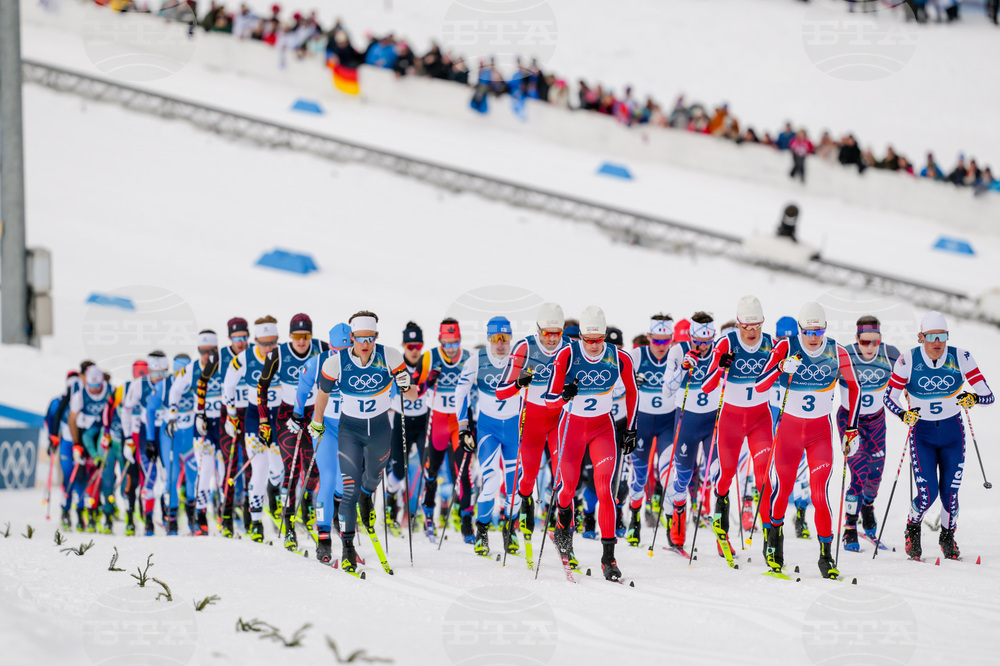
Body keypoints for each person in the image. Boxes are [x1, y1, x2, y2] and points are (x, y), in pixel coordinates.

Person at [754, 302, 862, 578]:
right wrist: (780, 368)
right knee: (783, 490)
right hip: (789, 432)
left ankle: (826, 557)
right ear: (800, 330)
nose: (813, 338)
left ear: (824, 329)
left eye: (818, 331)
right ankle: (773, 545)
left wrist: (851, 427)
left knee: (819, 494)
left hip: (819, 434)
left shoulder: (837, 351)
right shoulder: (786, 347)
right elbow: (759, 384)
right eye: (808, 332)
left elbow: (854, 387)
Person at [884, 311, 994, 560]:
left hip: (953, 434)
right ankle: (913, 528)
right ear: (921, 337)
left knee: (950, 493)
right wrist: (903, 414)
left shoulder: (961, 357)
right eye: (931, 336)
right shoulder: (908, 360)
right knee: (928, 493)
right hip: (922, 435)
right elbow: (889, 397)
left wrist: (973, 398)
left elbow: (988, 395)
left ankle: (947, 537)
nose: (937, 343)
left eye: (942, 336)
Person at [310, 311, 410, 573]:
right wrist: (317, 422)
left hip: (379, 428)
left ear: (376, 336)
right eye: (360, 338)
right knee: (348, 488)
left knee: (373, 477)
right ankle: (347, 547)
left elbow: (410, 392)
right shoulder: (335, 363)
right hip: (350, 429)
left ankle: (368, 496)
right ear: (352, 337)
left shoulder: (390, 356)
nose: (365, 344)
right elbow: (322, 393)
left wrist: (406, 383)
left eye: (370, 337)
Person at [544, 306, 638, 581]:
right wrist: (564, 395)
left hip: (601, 428)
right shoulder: (567, 354)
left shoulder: (619, 357)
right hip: (571, 427)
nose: (594, 346)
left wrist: (631, 429)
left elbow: (632, 392)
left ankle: (608, 558)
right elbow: (549, 400)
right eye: (589, 340)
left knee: (605, 488)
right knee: (567, 489)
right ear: (581, 337)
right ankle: (563, 534)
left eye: (599, 340)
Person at [701, 296, 775, 557]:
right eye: (746, 326)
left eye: (757, 326)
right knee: (726, 476)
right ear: (739, 324)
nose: (752, 332)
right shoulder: (726, 343)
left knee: (764, 476)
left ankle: (770, 540)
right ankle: (722, 534)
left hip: (760, 420)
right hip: (732, 419)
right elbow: (707, 385)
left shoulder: (771, 344)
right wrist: (720, 368)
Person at [496, 303, 568, 551]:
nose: (551, 338)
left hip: (558, 418)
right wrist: (518, 383)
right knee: (528, 476)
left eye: (556, 333)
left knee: (563, 477)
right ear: (538, 330)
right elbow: (501, 391)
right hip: (532, 418)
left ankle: (562, 531)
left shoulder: (569, 348)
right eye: (546, 333)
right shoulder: (525, 347)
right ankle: (519, 512)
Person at [257, 313, 326, 551]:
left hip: (314, 413)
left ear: (311, 335)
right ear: (290, 335)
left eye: (305, 335)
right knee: (292, 470)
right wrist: (264, 421)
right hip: (287, 415)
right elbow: (261, 386)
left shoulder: (322, 349)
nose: (301, 341)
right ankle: (288, 527)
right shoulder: (277, 353)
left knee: (314, 470)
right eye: (297, 336)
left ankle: (307, 503)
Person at [455, 316, 521, 556]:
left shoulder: (520, 359)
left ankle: (509, 530)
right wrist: (463, 426)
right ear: (489, 339)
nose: (500, 343)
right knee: (492, 481)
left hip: (514, 430)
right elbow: (460, 391)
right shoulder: (477, 360)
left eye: (504, 338)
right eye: (495, 338)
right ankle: (481, 532)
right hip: (488, 430)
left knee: (513, 487)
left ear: (510, 337)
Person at [838, 316, 901, 551]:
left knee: (875, 475)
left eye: (875, 342)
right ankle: (850, 527)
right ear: (857, 339)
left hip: (876, 421)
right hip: (850, 420)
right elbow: (822, 376)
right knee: (858, 473)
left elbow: (907, 378)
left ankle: (868, 505)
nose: (870, 348)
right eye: (865, 342)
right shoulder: (845, 354)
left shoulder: (890, 354)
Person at [661, 312, 723, 550]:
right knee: (683, 478)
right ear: (690, 336)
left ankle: (721, 529)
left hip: (712, 421)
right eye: (698, 341)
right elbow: (667, 390)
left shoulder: (719, 348)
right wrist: (683, 369)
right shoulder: (678, 351)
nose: (703, 347)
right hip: (686, 420)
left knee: (717, 474)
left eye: (708, 341)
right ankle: (676, 513)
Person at [222, 316, 284, 542]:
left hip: (279, 418)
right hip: (254, 419)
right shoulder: (244, 357)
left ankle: (273, 491)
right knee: (259, 468)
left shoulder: (282, 354)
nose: (269, 348)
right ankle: (256, 520)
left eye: (273, 342)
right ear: (255, 340)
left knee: (278, 469)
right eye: (264, 343)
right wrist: (230, 415)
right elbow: (228, 384)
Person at [295, 323, 351, 563]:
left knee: (346, 480)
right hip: (326, 428)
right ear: (330, 347)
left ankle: (337, 509)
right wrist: (298, 414)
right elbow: (302, 386)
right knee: (327, 478)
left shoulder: (361, 361)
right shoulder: (318, 362)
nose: (341, 355)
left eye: (345, 349)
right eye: (336, 350)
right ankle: (324, 540)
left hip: (351, 429)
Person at [417, 318, 473, 543]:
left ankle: (467, 523)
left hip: (459, 423)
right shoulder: (429, 357)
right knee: (431, 472)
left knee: (463, 473)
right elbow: (414, 390)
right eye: (446, 343)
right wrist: (429, 382)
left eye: (455, 343)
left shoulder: (468, 358)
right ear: (440, 340)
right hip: (437, 421)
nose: (451, 349)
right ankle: (428, 514)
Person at [624, 314, 676, 547]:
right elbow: (617, 383)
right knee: (639, 478)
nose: (661, 347)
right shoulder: (637, 355)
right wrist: (631, 381)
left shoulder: (677, 355)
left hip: (668, 423)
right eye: (657, 340)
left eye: (666, 341)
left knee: (668, 476)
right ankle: (634, 519)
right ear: (649, 338)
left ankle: (670, 527)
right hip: (642, 424)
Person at [385, 322, 431, 536]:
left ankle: (419, 512)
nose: (414, 350)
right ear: (403, 345)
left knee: (426, 466)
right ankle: (390, 502)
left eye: (418, 345)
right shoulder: (396, 364)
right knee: (398, 471)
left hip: (422, 422)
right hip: (401, 421)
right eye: (410, 345)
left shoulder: (427, 363)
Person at [178, 331, 222, 536]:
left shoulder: (226, 364)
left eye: (210, 351)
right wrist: (172, 413)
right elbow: (174, 391)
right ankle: (200, 516)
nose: (206, 355)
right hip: (201, 425)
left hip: (221, 425)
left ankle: (224, 512)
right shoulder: (191, 369)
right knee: (203, 472)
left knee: (222, 471)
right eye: (202, 351)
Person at [122, 351, 171, 536]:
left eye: (163, 373)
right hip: (146, 434)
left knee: (168, 476)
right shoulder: (138, 385)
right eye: (156, 374)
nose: (159, 378)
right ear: (149, 371)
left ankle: (168, 516)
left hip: (166, 433)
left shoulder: (171, 382)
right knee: (150, 478)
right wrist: (128, 439)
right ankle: (148, 520)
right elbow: (126, 411)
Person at [218, 317, 251, 536]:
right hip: (228, 415)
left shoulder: (253, 354)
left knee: (250, 463)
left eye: (244, 337)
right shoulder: (220, 357)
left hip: (249, 413)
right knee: (230, 464)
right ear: (230, 338)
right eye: (236, 338)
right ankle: (227, 514)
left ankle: (249, 510)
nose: (241, 342)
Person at [68, 365, 112, 532]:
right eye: (91, 386)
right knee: (83, 475)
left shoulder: (110, 390)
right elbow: (72, 420)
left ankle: (103, 510)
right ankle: (84, 512)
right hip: (86, 434)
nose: (94, 390)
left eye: (97, 386)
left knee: (103, 476)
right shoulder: (80, 395)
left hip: (104, 432)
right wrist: (76, 444)